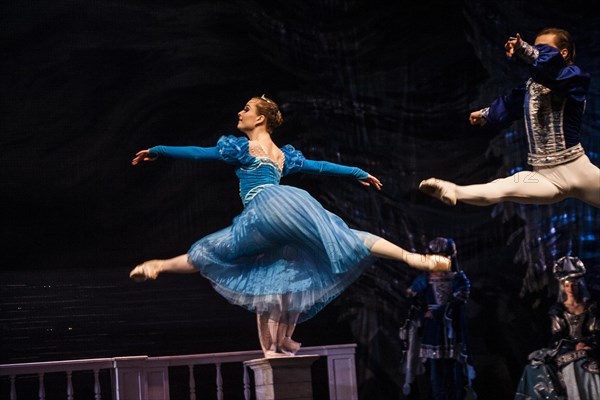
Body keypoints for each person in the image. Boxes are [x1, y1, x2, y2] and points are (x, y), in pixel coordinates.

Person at [129, 95, 451, 358]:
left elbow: (201, 154)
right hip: (286, 212)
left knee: (221, 253)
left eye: (246, 109)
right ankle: (411, 258)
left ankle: (161, 265)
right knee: (323, 250)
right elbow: (322, 166)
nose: (239, 112)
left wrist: (159, 150)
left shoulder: (244, 149)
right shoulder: (283, 156)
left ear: (260, 119)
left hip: (268, 207)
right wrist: (356, 171)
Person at [420, 28, 599, 208]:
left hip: (577, 169)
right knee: (501, 188)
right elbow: (511, 103)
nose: (537, 51)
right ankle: (453, 190)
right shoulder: (531, 86)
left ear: (563, 53)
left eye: (543, 48)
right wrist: (487, 114)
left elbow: (549, 69)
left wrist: (523, 48)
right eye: (536, 48)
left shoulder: (574, 77)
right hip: (544, 176)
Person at [515, 256, 600, 399]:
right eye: (567, 285)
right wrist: (574, 346)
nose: (571, 289)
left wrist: (586, 345)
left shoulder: (591, 307)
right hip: (566, 348)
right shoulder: (558, 310)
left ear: (579, 285)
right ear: (563, 287)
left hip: (590, 346)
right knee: (566, 366)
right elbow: (558, 335)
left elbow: (596, 331)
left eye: (574, 285)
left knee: (591, 364)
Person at [401, 237, 475, 399]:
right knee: (435, 374)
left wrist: (437, 312)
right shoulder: (425, 278)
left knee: (455, 372)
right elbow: (410, 295)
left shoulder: (458, 278)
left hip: (451, 329)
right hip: (432, 330)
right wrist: (420, 313)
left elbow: (459, 300)